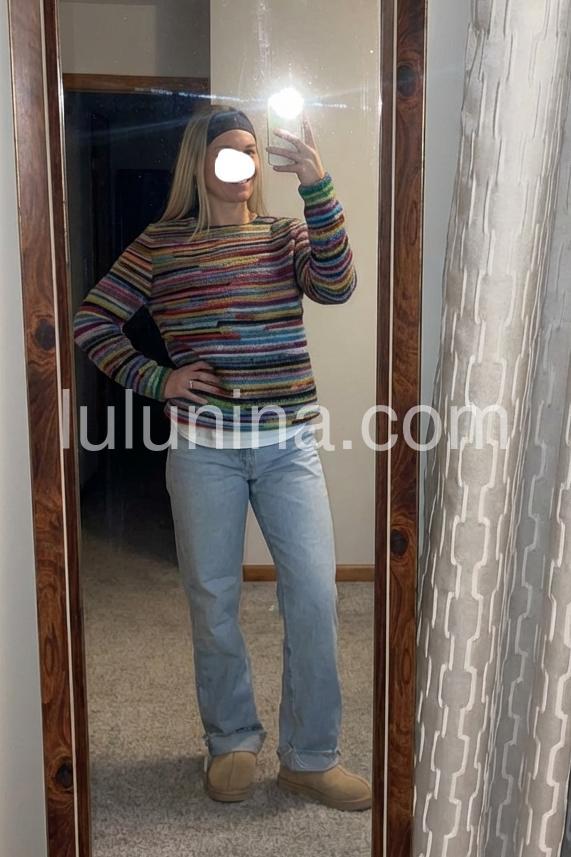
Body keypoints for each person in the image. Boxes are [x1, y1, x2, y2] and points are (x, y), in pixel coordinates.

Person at [73, 103, 372, 811]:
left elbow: (337, 285)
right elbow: (91, 322)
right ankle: (231, 739)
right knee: (213, 600)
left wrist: (317, 183)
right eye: (227, 150)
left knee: (314, 595)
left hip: (287, 445)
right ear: (198, 162)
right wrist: (159, 379)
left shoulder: (282, 234)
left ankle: (310, 756)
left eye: (250, 150)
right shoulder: (161, 245)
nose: (243, 162)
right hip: (202, 451)